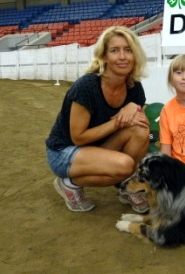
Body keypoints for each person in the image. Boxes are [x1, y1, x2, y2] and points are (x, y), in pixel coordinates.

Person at [45, 26, 150, 213]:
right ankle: (69, 183)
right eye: (114, 50)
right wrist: (117, 122)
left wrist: (136, 108)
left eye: (128, 50)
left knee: (140, 130)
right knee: (125, 165)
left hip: (96, 147)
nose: (122, 56)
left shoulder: (134, 87)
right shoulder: (87, 86)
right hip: (65, 151)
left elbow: (142, 123)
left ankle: (125, 186)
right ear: (104, 57)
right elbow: (78, 138)